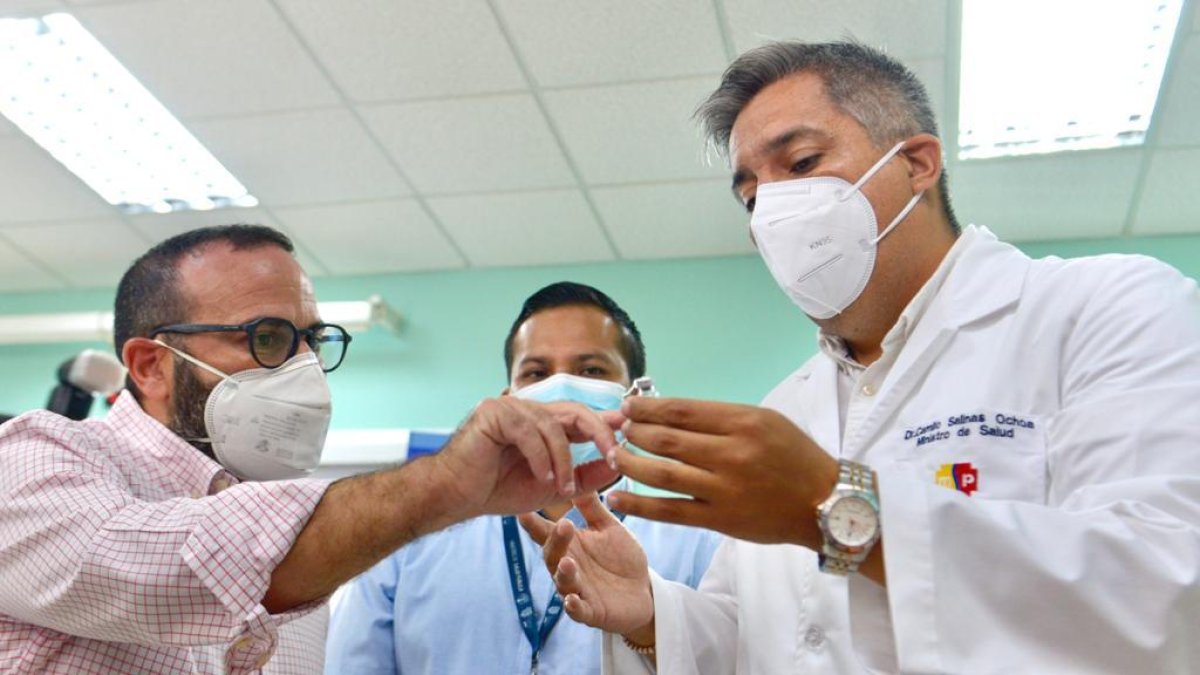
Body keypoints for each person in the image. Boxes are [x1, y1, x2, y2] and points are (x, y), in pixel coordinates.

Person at [522, 41, 1200, 673]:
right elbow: (758, 637)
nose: (772, 213)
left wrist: (836, 509)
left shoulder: (1107, 309)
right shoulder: (787, 408)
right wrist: (650, 616)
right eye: (752, 197)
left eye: (801, 164)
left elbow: (1167, 590)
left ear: (917, 163)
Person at [0, 226, 621, 674]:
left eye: (313, 341)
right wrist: (443, 484)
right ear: (150, 366)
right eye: (268, 339)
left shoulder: (311, 568)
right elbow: (172, 570)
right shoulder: (34, 458)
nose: (305, 369)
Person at [325, 281, 722, 674]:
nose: (560, 391)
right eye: (536, 373)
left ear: (635, 398)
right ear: (507, 401)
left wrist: (649, 630)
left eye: (591, 369)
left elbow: (736, 660)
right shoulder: (413, 542)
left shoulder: (699, 543)